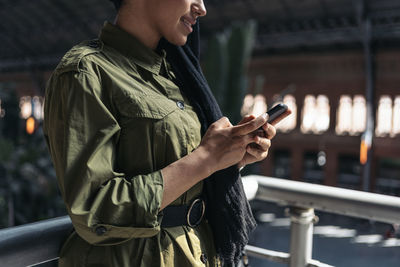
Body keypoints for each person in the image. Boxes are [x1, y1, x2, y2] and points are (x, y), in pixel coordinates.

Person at [43, 0, 276, 266]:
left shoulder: (176, 74)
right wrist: (207, 158)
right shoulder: (85, 72)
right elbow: (95, 210)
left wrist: (229, 155)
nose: (202, 8)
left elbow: (176, 166)